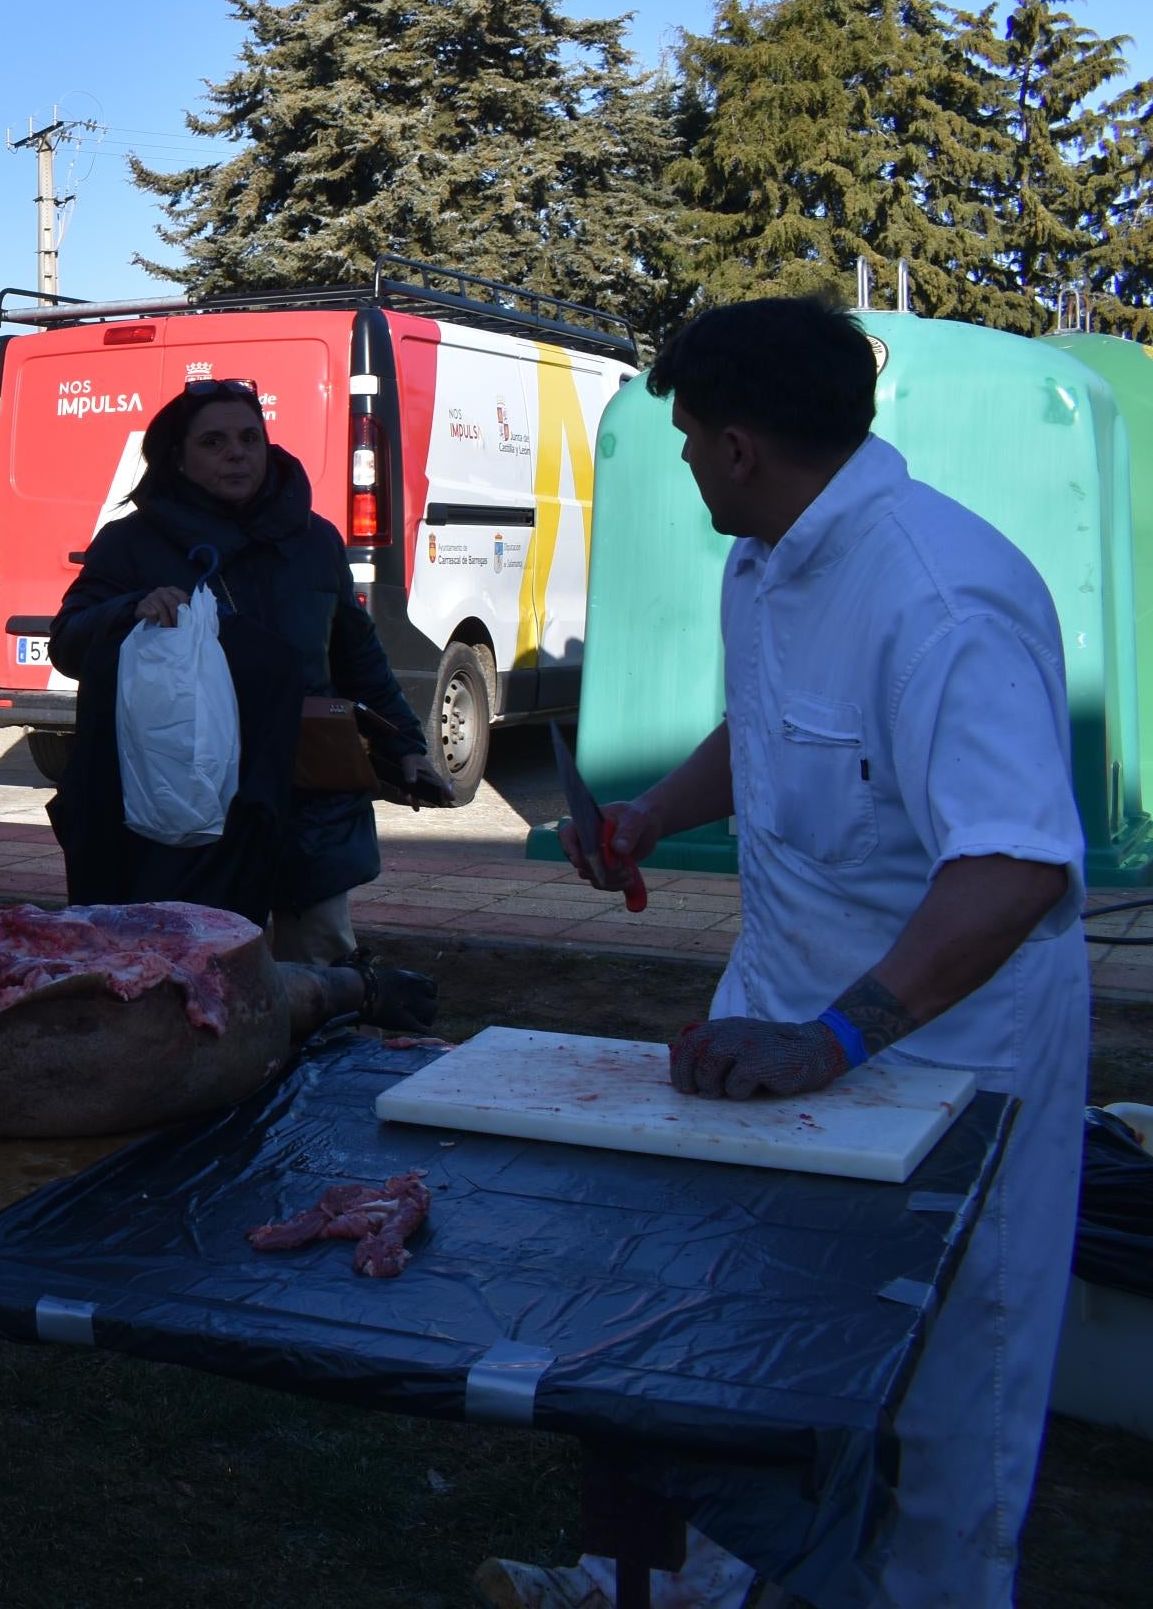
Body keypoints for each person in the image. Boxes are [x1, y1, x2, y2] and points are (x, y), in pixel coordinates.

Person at [476, 296, 1090, 1609]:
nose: (686, 459)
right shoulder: (763, 559)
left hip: (955, 1042)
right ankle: (679, 1587)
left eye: (692, 436)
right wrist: (651, 813)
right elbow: (768, 734)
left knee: (954, 1383)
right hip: (784, 1007)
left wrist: (840, 1034)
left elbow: (1015, 864)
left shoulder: (943, 595)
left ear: (743, 445)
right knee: (730, 1325)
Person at [47, 379, 445, 955]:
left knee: (321, 965)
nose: (237, 453)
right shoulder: (130, 544)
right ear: (178, 459)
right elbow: (68, 643)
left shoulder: (316, 541)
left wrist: (405, 745)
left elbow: (357, 655)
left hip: (305, 795)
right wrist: (126, 612)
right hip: (191, 799)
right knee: (200, 969)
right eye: (214, 442)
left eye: (249, 438)